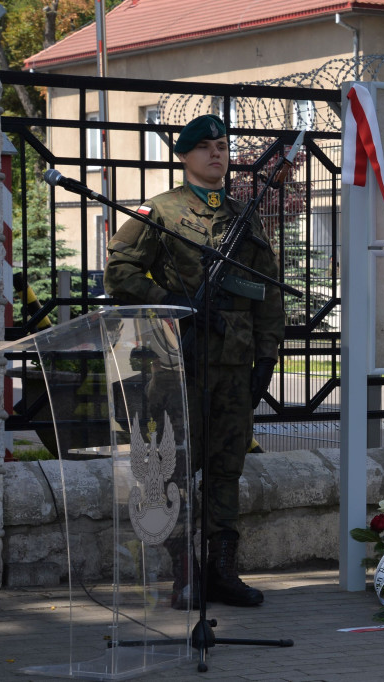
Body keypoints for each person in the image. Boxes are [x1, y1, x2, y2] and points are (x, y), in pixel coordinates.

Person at [104, 114, 285, 607]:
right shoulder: (159, 212)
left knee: (227, 471)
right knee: (175, 468)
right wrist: (174, 303)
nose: (216, 154)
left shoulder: (242, 216)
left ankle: (222, 572)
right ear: (184, 156)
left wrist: (266, 359)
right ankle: (183, 575)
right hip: (177, 365)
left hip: (233, 366)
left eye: (223, 146)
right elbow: (119, 273)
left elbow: (266, 294)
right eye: (205, 147)